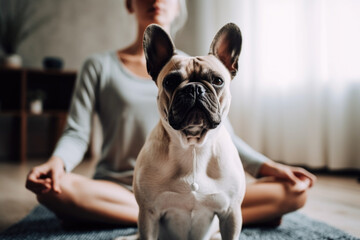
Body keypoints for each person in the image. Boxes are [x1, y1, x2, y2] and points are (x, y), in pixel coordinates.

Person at [26, 0, 316, 228]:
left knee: (294, 190)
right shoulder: (99, 66)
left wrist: (268, 167)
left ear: (179, 5)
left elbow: (224, 133)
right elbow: (77, 131)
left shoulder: (204, 67)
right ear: (129, 3)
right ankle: (159, 215)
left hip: (197, 187)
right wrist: (57, 163)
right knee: (54, 188)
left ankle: (123, 217)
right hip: (120, 189)